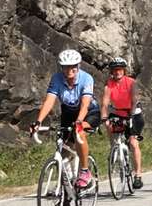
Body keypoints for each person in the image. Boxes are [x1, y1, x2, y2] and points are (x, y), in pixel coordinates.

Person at [29, 49, 100, 188]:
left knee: (79, 133)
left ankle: (85, 171)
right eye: (65, 66)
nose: (69, 70)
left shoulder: (86, 78)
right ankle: (65, 190)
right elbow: (49, 101)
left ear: (78, 66)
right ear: (61, 67)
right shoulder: (57, 78)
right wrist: (38, 122)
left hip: (89, 112)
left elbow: (85, 104)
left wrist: (79, 122)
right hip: (68, 112)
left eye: (73, 66)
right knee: (64, 150)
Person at [100, 57, 145, 189]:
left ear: (124, 71)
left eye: (120, 69)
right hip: (118, 113)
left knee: (132, 142)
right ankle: (114, 147)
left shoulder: (131, 82)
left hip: (133, 114)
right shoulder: (109, 85)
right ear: (111, 72)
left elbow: (134, 99)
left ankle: (138, 175)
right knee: (108, 125)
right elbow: (105, 102)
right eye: (115, 70)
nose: (117, 72)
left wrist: (130, 114)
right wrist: (104, 117)